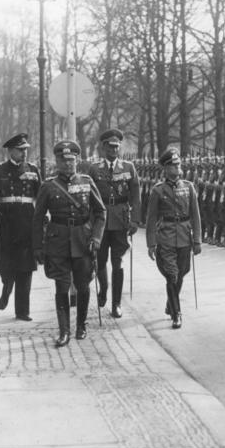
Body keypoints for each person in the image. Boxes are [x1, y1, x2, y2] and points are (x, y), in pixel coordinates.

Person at [32, 140, 105, 347]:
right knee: (61, 286)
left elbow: (100, 213)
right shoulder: (48, 186)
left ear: (77, 160)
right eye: (63, 161)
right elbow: (37, 218)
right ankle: (64, 330)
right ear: (56, 161)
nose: (68, 164)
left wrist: (97, 237)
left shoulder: (87, 182)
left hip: (83, 240)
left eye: (71, 160)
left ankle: (81, 325)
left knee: (83, 286)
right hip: (58, 242)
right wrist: (38, 247)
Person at [0, 133, 41, 321]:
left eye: (26, 150)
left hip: (27, 221)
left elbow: (40, 199)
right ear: (10, 151)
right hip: (6, 221)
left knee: (25, 268)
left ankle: (22, 311)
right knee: (6, 265)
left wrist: (43, 222)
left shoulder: (33, 169)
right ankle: (7, 285)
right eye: (20, 150)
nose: (24, 153)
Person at [85, 129, 140, 319]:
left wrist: (135, 220)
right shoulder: (94, 169)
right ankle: (104, 289)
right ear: (103, 147)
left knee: (118, 262)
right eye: (110, 146)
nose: (113, 150)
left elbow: (136, 196)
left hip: (120, 221)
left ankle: (116, 304)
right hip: (100, 222)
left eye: (116, 147)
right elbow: (88, 198)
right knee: (100, 261)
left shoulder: (128, 168)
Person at [145, 149, 202, 329]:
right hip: (166, 236)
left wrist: (198, 239)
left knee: (182, 272)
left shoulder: (189, 187)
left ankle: (171, 303)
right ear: (166, 168)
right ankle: (177, 314)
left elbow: (195, 215)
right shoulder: (158, 190)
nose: (178, 168)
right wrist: (151, 243)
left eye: (179, 164)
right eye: (174, 165)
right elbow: (151, 218)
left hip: (185, 236)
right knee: (171, 275)